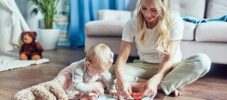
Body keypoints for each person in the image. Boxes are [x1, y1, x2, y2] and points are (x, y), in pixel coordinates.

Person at [114, 0, 211, 99]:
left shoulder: (175, 21)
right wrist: (121, 80)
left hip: (171, 68)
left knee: (203, 61)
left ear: (163, 8)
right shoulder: (131, 23)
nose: (147, 14)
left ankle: (154, 85)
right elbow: (121, 58)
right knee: (108, 71)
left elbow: (168, 59)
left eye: (154, 10)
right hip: (144, 66)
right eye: (144, 8)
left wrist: (156, 80)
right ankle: (163, 85)